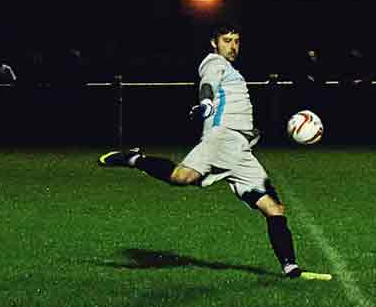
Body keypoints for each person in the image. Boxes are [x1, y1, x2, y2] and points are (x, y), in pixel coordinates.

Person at [97, 22, 303, 278]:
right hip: (221, 139)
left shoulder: (233, 71)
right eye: (227, 40)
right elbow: (208, 85)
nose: (233, 46)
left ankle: (290, 267)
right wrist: (205, 102)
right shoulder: (214, 62)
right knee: (181, 177)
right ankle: (133, 159)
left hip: (241, 149)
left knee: (274, 208)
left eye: (237, 41)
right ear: (214, 43)